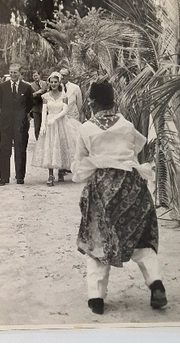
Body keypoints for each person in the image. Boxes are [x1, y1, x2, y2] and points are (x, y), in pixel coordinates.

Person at [72, 80, 167, 315]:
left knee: (98, 239)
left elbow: (80, 163)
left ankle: (96, 297)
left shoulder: (85, 128)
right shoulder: (126, 125)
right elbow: (133, 153)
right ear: (113, 102)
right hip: (131, 186)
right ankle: (156, 284)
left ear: (92, 102)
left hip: (103, 188)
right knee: (140, 238)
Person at [32, 71, 80, 185]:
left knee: (61, 146)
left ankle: (61, 170)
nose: (53, 84)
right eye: (51, 82)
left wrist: (55, 118)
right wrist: (43, 124)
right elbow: (44, 111)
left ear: (59, 82)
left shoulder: (64, 96)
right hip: (49, 124)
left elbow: (65, 110)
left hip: (60, 123)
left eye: (56, 82)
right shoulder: (46, 96)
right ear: (49, 83)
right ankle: (50, 175)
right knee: (50, 147)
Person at [0, 63, 33, 185]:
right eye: (11, 72)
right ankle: (4, 177)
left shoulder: (26, 87)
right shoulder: (2, 87)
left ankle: (20, 177)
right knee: (4, 150)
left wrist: (21, 116)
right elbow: (0, 103)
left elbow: (29, 105)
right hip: (6, 123)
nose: (13, 75)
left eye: (15, 72)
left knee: (20, 150)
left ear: (20, 73)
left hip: (20, 124)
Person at [30, 70, 47, 141]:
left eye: (36, 75)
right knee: (37, 126)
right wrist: (37, 93)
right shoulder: (31, 85)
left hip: (45, 106)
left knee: (45, 124)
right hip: (36, 107)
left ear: (39, 76)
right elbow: (30, 96)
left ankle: (45, 140)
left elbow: (47, 91)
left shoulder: (44, 83)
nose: (35, 77)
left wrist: (42, 91)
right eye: (34, 76)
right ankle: (38, 140)